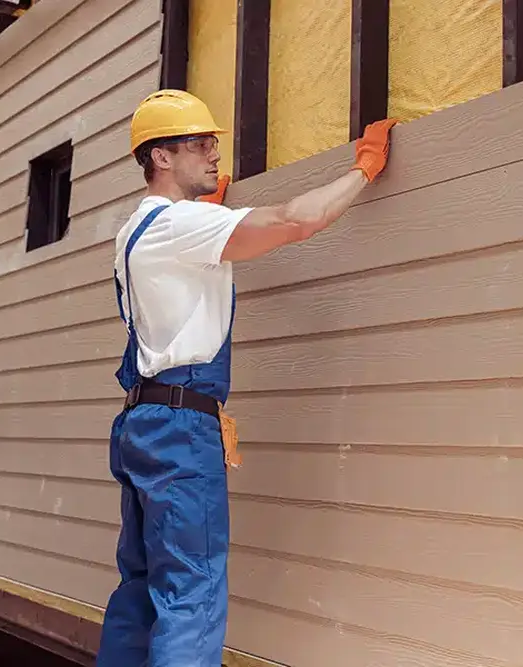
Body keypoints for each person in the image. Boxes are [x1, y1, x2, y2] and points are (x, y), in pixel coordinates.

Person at [95, 89, 398, 667]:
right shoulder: (180, 225)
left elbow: (186, 268)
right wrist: (362, 169)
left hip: (142, 422)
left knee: (142, 588)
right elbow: (293, 221)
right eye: (200, 144)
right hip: (182, 429)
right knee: (192, 594)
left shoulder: (137, 230)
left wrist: (213, 210)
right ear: (161, 157)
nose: (214, 154)